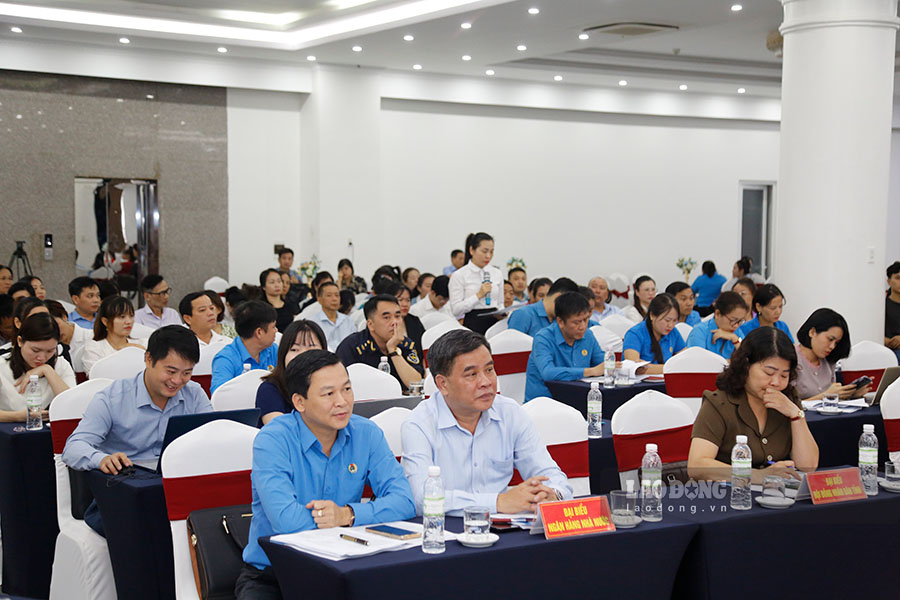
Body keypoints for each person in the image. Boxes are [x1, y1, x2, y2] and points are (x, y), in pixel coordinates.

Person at [237, 350, 415, 599]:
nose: (342, 401)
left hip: (346, 568)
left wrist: (348, 514)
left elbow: (405, 502)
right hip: (275, 575)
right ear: (299, 402)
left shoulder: (366, 433)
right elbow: (287, 522)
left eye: (347, 389)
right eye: (328, 394)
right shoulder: (273, 440)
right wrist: (338, 520)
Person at [401, 329, 572, 516]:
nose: (486, 382)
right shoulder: (419, 425)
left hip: (503, 526)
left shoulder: (510, 413)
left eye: (489, 370)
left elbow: (549, 473)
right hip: (446, 528)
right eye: (472, 374)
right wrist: (498, 502)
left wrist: (552, 494)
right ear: (443, 384)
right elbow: (421, 498)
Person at [63, 326, 212, 536]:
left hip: (177, 489)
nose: (177, 381)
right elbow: (73, 448)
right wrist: (102, 459)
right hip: (126, 495)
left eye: (186, 373)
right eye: (170, 371)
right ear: (148, 359)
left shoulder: (193, 394)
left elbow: (212, 438)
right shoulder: (112, 398)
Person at [687, 327, 819, 483]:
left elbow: (808, 466)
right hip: (728, 492)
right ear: (746, 365)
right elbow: (697, 465)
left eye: (784, 375)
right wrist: (757, 475)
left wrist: (796, 415)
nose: (776, 382)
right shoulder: (719, 403)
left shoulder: (788, 400)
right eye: (769, 373)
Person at [525, 292, 606, 402]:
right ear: (560, 321)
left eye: (586, 320)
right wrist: (589, 371)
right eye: (577, 322)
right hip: (544, 403)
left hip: (577, 401)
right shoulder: (543, 338)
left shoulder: (588, 335)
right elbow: (548, 373)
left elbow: (602, 363)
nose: (582, 326)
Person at [336, 295, 424, 393]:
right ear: (370, 324)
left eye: (397, 316)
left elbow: (416, 385)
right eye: (387, 317)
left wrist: (393, 350)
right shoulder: (352, 346)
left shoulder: (406, 344)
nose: (394, 322)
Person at [0, 313, 74, 422]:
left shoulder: (61, 365)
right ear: (20, 341)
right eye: (35, 350)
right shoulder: (2, 366)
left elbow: (72, 406)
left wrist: (47, 370)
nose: (41, 358)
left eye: (50, 351)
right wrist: (17, 416)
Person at [256, 320, 326, 426]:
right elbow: (279, 431)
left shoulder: (332, 387)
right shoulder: (269, 390)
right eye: (294, 349)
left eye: (311, 348)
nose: (303, 355)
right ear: (283, 354)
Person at [795, 308, 871, 401]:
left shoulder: (829, 361)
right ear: (812, 332)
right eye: (830, 339)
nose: (832, 346)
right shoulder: (790, 359)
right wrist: (825, 396)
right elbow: (786, 406)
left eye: (836, 343)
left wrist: (849, 395)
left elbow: (831, 399)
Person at [210, 300, 279, 394]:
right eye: (273, 327)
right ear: (259, 332)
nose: (276, 331)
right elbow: (219, 395)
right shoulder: (225, 359)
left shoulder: (273, 349)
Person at [448, 232, 504, 335]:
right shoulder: (459, 275)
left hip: (495, 324)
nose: (488, 256)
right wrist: (478, 295)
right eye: (484, 251)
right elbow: (456, 310)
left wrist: (502, 312)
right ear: (472, 250)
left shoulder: (497, 273)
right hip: (473, 324)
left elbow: (500, 303)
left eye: (491, 252)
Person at [623, 293, 686, 374]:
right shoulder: (635, 334)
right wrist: (673, 367)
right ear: (652, 315)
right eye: (667, 320)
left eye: (674, 321)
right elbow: (634, 367)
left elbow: (686, 358)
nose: (670, 325)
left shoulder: (673, 332)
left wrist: (650, 368)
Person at [82, 296, 146, 375]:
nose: (128, 321)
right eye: (122, 317)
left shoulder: (142, 344)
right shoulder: (94, 348)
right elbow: (94, 375)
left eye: (131, 316)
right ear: (105, 321)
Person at [685, 292, 748, 360]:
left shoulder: (736, 331)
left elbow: (747, 358)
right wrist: (732, 362)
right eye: (733, 320)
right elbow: (699, 361)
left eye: (741, 321)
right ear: (717, 314)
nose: (736, 325)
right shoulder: (699, 332)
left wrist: (735, 339)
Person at [508, 277, 579, 337]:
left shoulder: (560, 319)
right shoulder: (523, 314)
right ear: (558, 297)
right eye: (568, 305)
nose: (568, 311)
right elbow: (512, 346)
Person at [378, 281, 425, 353]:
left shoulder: (414, 321)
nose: (405, 304)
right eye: (400, 300)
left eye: (408, 300)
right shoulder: (381, 321)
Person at [309, 282, 355, 351]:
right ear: (319, 299)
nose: (334, 299)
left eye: (337, 295)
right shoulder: (313, 323)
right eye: (329, 295)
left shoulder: (348, 321)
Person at [259, 268, 297, 334]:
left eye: (279, 281)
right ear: (264, 287)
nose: (277, 285)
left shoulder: (290, 305)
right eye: (272, 282)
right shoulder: (260, 308)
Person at [885, 261, 900, 362]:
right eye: (898, 278)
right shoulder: (881, 307)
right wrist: (888, 341)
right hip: (889, 350)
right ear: (889, 281)